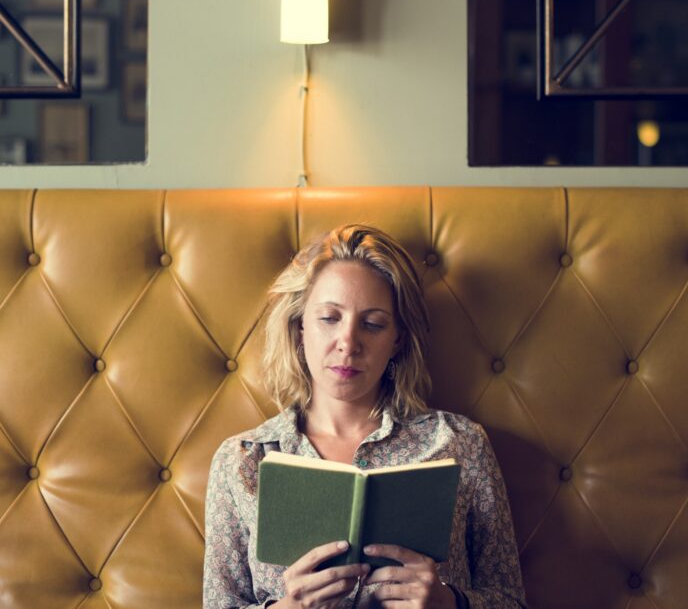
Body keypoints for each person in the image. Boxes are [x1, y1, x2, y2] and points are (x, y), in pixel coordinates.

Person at [203, 225, 526, 608]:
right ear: (299, 327)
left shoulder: (459, 444)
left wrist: (449, 603)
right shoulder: (243, 460)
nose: (348, 343)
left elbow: (510, 600)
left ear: (398, 340)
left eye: (372, 324)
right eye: (329, 318)